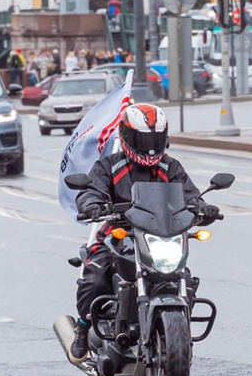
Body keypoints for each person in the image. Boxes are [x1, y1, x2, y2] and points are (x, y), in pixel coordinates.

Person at [67, 101, 218, 361]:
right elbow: (91, 190)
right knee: (95, 277)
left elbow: (189, 195)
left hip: (161, 235)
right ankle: (83, 327)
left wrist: (203, 207)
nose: (149, 145)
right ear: (126, 136)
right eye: (141, 138)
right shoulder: (109, 166)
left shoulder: (171, 168)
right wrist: (92, 204)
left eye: (155, 138)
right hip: (118, 236)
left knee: (186, 279)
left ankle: (175, 330)